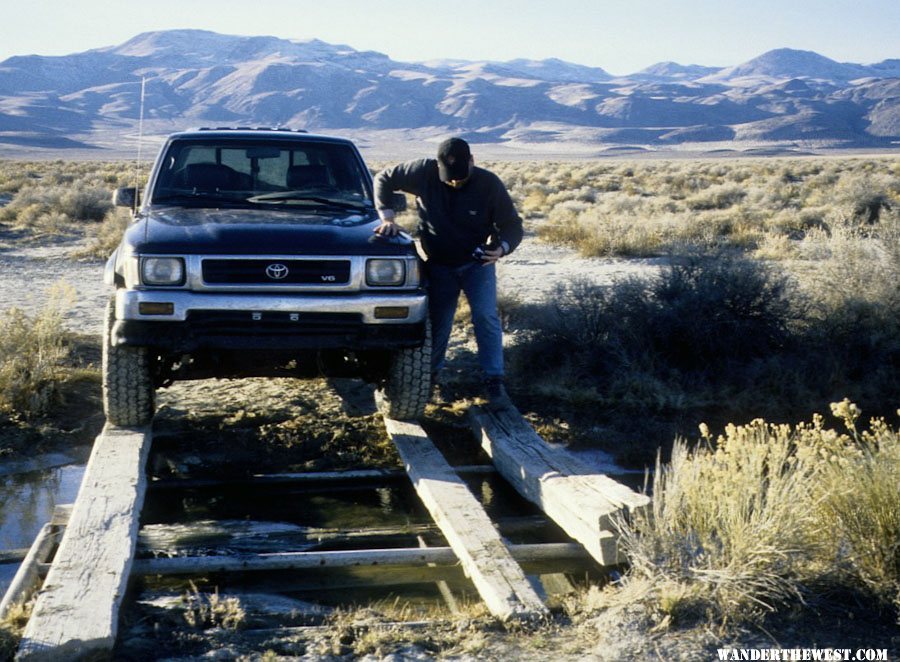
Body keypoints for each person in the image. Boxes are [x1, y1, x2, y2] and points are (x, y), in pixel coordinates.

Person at [373, 137, 523, 403]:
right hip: (440, 264)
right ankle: (429, 378)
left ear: (472, 162)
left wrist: (502, 248)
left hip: (478, 264)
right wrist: (387, 217)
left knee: (486, 318)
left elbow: (512, 225)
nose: (455, 182)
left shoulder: (489, 184)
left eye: (460, 178)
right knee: (438, 322)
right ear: (438, 165)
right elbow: (383, 178)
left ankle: (494, 380)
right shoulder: (422, 172)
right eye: (449, 178)